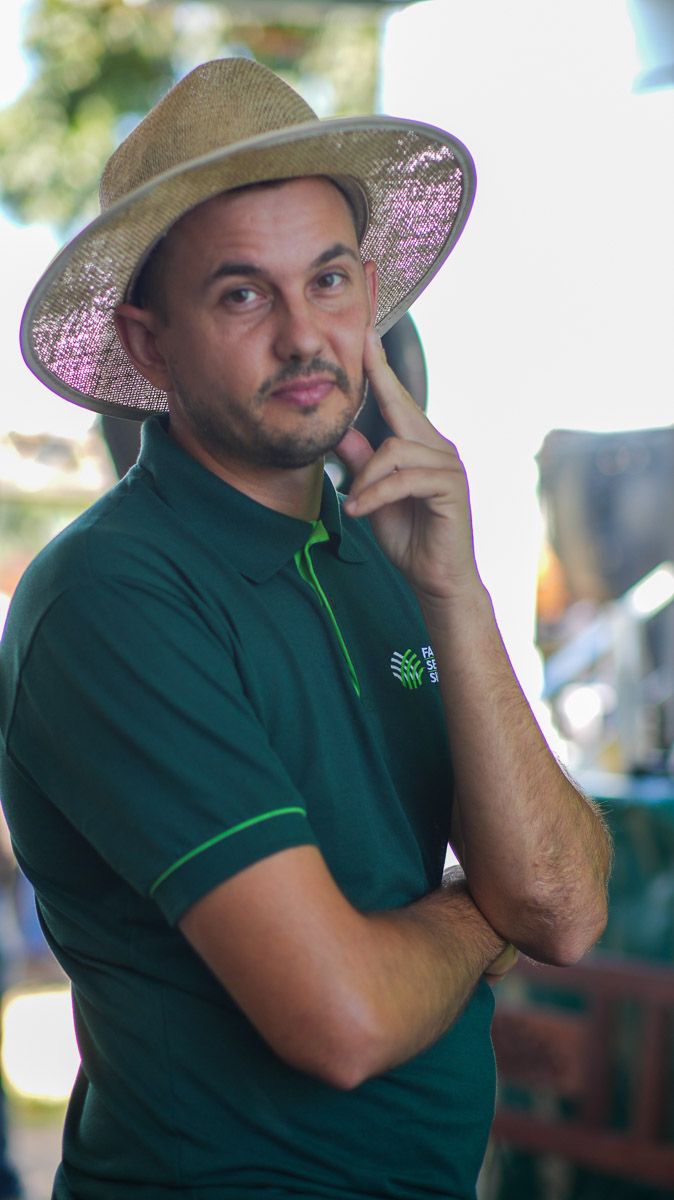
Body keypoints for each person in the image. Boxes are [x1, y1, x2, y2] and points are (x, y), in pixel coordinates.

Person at [0, 57, 611, 1200]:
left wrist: (456, 592)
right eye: (242, 295)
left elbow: (566, 911)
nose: (301, 335)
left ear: (369, 293)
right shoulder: (112, 596)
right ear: (147, 345)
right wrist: (481, 913)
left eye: (326, 280)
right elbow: (340, 1019)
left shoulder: (386, 549)